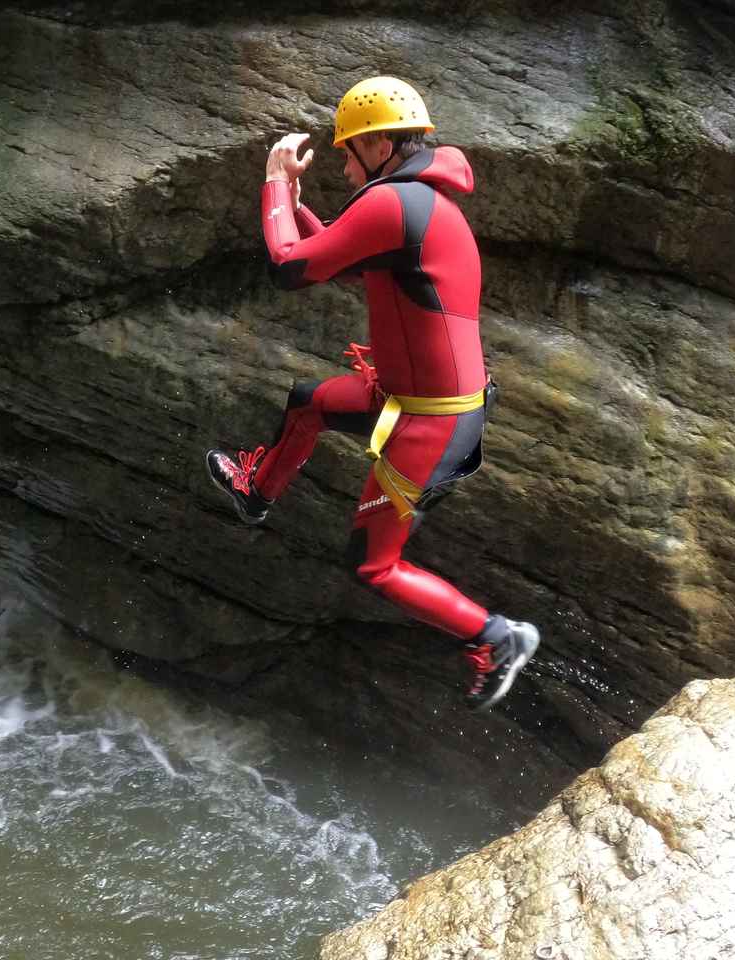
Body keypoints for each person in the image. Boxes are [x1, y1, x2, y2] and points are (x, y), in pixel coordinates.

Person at [205, 76, 540, 710]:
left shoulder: (397, 203)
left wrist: (275, 183)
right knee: (310, 400)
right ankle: (256, 492)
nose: (344, 160)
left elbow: (289, 266)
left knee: (372, 565)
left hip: (428, 423)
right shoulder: (414, 201)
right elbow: (344, 252)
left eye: (350, 149)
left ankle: (498, 637)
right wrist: (300, 204)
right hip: (412, 399)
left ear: (383, 143)